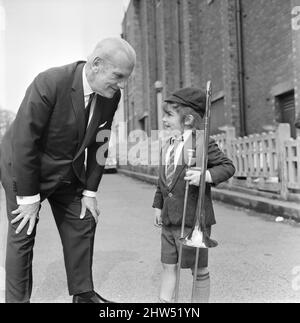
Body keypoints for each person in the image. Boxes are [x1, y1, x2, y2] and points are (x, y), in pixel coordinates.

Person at [0, 37, 136, 303]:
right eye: (118, 76)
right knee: (23, 231)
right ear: (97, 65)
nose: (122, 85)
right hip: (25, 167)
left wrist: (90, 191)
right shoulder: (50, 82)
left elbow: (100, 140)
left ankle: (83, 294)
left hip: (66, 170)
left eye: (125, 79)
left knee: (83, 218)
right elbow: (25, 141)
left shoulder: (111, 95)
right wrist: (28, 199)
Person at [152, 87, 235, 303]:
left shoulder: (201, 141)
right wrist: (158, 206)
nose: (164, 119)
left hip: (192, 219)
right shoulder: (168, 145)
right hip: (170, 221)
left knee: (198, 269)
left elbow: (227, 166)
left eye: (169, 114)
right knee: (167, 265)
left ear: (188, 119)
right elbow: (163, 182)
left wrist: (205, 175)